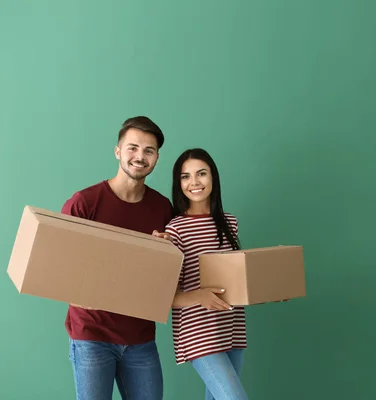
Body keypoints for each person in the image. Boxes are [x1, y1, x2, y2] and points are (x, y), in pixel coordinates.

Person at [60, 116, 173, 400]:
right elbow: (58, 266)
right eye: (132, 148)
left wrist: (165, 253)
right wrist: (74, 295)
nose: (140, 156)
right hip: (92, 335)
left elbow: (169, 274)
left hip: (141, 339)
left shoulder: (162, 208)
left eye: (148, 151)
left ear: (157, 157)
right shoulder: (85, 203)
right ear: (118, 151)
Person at [165, 148, 249, 400]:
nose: (194, 182)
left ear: (213, 177)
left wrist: (271, 290)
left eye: (201, 174)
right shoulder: (175, 229)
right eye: (185, 176)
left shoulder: (229, 222)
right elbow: (165, 295)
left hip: (231, 327)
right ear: (178, 183)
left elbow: (237, 279)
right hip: (197, 332)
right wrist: (200, 296)